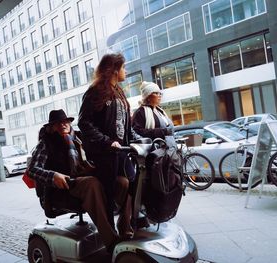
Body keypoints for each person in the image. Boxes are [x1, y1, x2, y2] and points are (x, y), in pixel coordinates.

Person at [28, 109, 121, 251]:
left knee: (122, 182)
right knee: (92, 184)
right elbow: (32, 170)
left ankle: (126, 229)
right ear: (51, 127)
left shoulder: (79, 138)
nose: (63, 125)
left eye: (65, 121)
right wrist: (53, 176)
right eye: (58, 123)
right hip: (63, 186)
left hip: (82, 178)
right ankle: (111, 241)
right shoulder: (46, 143)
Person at [78, 53, 139, 239]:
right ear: (114, 69)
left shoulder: (119, 91)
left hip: (121, 152)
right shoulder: (95, 91)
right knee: (111, 192)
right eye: (123, 67)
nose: (125, 71)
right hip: (104, 154)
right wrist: (106, 141)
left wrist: (138, 139)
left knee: (133, 184)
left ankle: (125, 222)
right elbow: (84, 122)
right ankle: (112, 235)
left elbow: (125, 124)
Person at [132, 81, 176, 147]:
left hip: (169, 147)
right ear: (148, 96)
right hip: (155, 151)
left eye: (160, 93)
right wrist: (161, 132)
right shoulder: (141, 111)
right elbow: (137, 131)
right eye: (156, 93)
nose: (159, 96)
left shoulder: (160, 110)